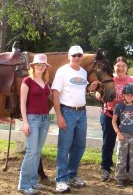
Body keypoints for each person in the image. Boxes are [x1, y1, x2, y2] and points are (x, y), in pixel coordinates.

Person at [51, 45, 99, 193]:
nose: (77, 58)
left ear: (82, 57)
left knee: (80, 145)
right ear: (69, 56)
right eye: (74, 55)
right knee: (64, 147)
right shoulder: (62, 71)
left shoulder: (84, 72)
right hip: (67, 112)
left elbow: (82, 89)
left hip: (81, 113)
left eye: (79, 55)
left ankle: (72, 175)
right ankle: (61, 179)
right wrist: (59, 115)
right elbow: (55, 93)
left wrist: (92, 87)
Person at [97, 56, 133, 182]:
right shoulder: (109, 79)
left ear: (127, 68)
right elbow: (98, 94)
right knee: (108, 143)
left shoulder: (132, 82)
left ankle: (127, 171)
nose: (121, 68)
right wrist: (99, 93)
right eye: (118, 66)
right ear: (114, 68)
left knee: (128, 144)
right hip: (109, 114)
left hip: (127, 117)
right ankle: (106, 168)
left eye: (123, 66)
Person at [17, 54, 52, 195]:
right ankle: (23, 184)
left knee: (37, 151)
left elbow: (53, 97)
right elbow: (22, 103)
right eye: (38, 64)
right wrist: (25, 122)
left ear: (45, 67)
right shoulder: (27, 81)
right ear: (33, 66)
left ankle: (33, 181)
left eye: (43, 65)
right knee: (31, 151)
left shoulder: (45, 82)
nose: (41, 66)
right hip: (32, 119)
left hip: (45, 119)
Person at [112, 83, 133, 187]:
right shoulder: (119, 106)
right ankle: (120, 178)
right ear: (123, 95)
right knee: (121, 158)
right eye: (127, 95)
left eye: (132, 95)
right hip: (122, 136)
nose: (129, 97)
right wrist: (118, 134)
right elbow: (114, 121)